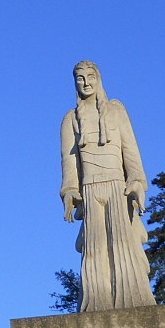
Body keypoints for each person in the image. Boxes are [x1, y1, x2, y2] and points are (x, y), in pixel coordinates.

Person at [60, 61, 156, 311]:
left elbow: (130, 151)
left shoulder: (116, 110)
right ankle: (95, 302)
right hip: (89, 189)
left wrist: (137, 181)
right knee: (94, 250)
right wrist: (69, 191)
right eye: (80, 78)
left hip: (118, 186)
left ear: (99, 79)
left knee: (123, 245)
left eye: (90, 76)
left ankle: (134, 300)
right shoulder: (70, 120)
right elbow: (69, 163)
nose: (86, 82)